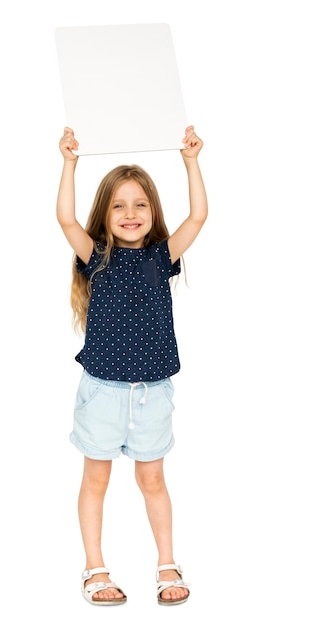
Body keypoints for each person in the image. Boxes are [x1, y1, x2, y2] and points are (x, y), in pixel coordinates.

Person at [56, 125, 208, 606]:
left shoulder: (163, 255)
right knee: (95, 479)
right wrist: (69, 163)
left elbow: (199, 216)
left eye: (140, 204)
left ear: (152, 213)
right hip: (102, 390)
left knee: (153, 479)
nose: (130, 213)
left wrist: (190, 161)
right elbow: (64, 220)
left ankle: (167, 563)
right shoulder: (95, 256)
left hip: (152, 391)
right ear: (105, 214)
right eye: (119, 205)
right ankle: (94, 567)